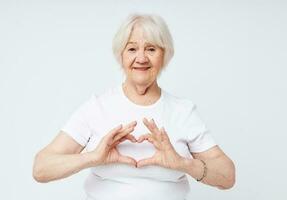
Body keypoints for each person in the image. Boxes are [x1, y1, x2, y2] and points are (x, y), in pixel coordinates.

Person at [32, 13, 235, 200]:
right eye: (132, 49)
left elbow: (227, 176)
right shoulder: (97, 107)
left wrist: (183, 163)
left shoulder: (182, 112)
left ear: (164, 55)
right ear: (121, 55)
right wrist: (93, 157)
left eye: (151, 49)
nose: (141, 58)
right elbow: (41, 168)